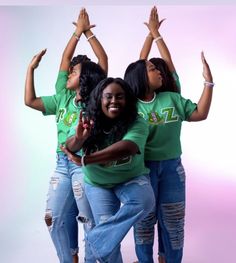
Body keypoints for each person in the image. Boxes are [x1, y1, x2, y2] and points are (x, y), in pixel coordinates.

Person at [124, 7, 214, 263]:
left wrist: (208, 83)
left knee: (173, 223)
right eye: (153, 69)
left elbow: (200, 113)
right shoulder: (131, 102)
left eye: (159, 69)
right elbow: (139, 65)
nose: (160, 72)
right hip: (142, 170)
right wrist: (151, 36)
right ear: (143, 75)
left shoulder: (172, 97)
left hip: (172, 168)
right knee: (144, 222)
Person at [24, 8, 107, 263]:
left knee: (88, 220)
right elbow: (30, 100)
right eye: (69, 70)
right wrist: (31, 69)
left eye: (74, 71)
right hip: (62, 163)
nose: (68, 71)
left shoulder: (95, 98)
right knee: (54, 217)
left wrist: (88, 33)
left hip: (84, 164)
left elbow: (102, 61)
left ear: (86, 77)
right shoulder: (62, 96)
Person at [61, 77, 155, 263]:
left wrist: (85, 160)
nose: (114, 101)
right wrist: (80, 138)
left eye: (120, 97)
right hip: (98, 184)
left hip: (131, 178)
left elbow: (127, 147)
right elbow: (69, 146)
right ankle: (100, 243)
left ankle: (94, 241)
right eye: (108, 97)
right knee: (108, 242)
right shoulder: (88, 119)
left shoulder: (137, 122)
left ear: (127, 100)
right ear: (99, 99)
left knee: (145, 201)